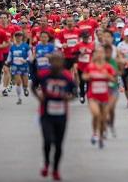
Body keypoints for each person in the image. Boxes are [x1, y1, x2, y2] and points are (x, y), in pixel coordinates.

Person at [32, 53, 76, 181]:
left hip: (62, 114)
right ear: (50, 62)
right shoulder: (44, 74)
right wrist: (38, 96)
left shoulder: (66, 76)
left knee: (58, 144)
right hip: (46, 113)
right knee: (47, 141)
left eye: (59, 61)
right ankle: (46, 163)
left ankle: (56, 169)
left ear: (62, 62)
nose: (56, 64)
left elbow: (75, 92)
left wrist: (69, 98)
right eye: (54, 61)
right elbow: (33, 85)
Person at [82, 47, 116, 147]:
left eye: (102, 53)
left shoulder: (108, 67)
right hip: (93, 95)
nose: (100, 55)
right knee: (96, 114)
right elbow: (84, 76)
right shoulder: (90, 66)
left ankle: (101, 137)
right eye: (98, 53)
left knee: (103, 118)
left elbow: (114, 80)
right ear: (95, 55)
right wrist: (89, 76)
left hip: (105, 96)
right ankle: (94, 133)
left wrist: (108, 76)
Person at [5, 31, 32, 105]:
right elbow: (9, 56)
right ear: (15, 37)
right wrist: (7, 62)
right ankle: (19, 98)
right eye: (17, 36)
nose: (18, 37)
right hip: (15, 66)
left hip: (24, 66)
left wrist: (25, 60)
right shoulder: (12, 47)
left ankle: (25, 89)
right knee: (18, 82)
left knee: (25, 83)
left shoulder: (26, 46)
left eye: (20, 36)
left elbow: (30, 57)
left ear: (22, 37)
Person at [74, 31, 95, 104]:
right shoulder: (78, 45)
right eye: (84, 37)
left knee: (89, 82)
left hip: (89, 66)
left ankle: (89, 96)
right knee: (82, 82)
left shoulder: (92, 45)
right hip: (81, 66)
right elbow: (74, 54)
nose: (86, 39)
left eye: (87, 37)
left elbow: (94, 54)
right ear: (82, 38)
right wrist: (80, 53)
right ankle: (82, 95)